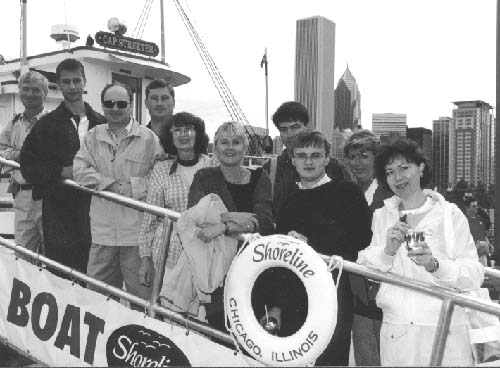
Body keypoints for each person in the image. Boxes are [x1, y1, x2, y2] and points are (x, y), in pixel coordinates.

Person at [357, 137, 483, 366]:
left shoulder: (449, 214)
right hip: (398, 330)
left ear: (421, 167)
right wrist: (388, 251)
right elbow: (366, 269)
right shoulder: (382, 216)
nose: (398, 177)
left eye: (404, 168)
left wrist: (434, 265)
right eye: (390, 171)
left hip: (446, 329)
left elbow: (474, 274)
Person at [264, 130, 372, 366]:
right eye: (302, 155)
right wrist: (276, 306)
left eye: (316, 155)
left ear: (327, 159)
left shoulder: (348, 193)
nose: (309, 161)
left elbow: (362, 242)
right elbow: (279, 265)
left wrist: (311, 245)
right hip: (294, 298)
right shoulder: (288, 203)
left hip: (333, 297)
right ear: (292, 160)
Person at [73, 82, 163, 300]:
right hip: (102, 235)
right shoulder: (92, 137)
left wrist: (134, 187)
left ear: (131, 105)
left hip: (137, 238)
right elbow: (79, 170)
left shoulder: (149, 139)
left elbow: (161, 177)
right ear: (102, 106)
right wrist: (111, 185)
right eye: (109, 103)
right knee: (97, 300)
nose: (115, 108)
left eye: (121, 103)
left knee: (142, 303)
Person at [20, 58, 105, 274]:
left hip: (98, 212)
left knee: (96, 275)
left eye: (77, 80)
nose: (72, 87)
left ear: (85, 82)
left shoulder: (101, 123)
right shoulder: (46, 125)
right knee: (61, 275)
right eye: (66, 82)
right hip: (60, 214)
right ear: (59, 84)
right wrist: (60, 171)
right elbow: (28, 166)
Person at [187, 121, 274, 330]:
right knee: (219, 329)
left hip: (251, 267)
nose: (230, 147)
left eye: (236, 142)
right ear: (215, 148)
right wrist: (239, 217)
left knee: (250, 329)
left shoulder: (260, 177)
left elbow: (265, 221)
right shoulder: (204, 177)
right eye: (224, 142)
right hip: (215, 267)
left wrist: (224, 226)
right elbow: (196, 218)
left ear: (245, 147)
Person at [137, 112, 214, 288]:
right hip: (169, 255)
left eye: (188, 130)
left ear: (198, 134)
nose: (182, 134)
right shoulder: (161, 170)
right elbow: (150, 218)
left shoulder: (212, 166)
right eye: (177, 130)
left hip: (205, 252)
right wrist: (145, 257)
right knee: (169, 310)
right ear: (170, 136)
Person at [343, 129, 392, 366]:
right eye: (352, 157)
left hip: (387, 289)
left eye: (364, 156)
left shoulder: (390, 192)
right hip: (359, 292)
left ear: (376, 158)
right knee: (366, 356)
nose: (357, 163)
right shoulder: (347, 192)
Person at [263, 101, 350, 218]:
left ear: (306, 127)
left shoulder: (333, 166)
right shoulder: (270, 169)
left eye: (295, 127)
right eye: (284, 129)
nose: (289, 135)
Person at [0, 71, 49, 255]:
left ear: (45, 94)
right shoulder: (14, 123)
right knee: (22, 257)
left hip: (48, 197)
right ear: (19, 91)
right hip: (22, 197)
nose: (29, 94)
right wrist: (20, 155)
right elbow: (1, 150)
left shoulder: (54, 123)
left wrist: (19, 156)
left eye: (35, 90)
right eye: (25, 89)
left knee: (52, 257)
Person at [144, 78, 175, 154]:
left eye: (164, 98)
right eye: (154, 98)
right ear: (146, 103)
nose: (159, 103)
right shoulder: (139, 139)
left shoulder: (186, 138)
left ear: (173, 103)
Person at [464, 197, 493, 266]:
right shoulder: (464, 220)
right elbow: (463, 240)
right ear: (467, 208)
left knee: (484, 275)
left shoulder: (479, 219)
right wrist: (480, 244)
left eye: (477, 205)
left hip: (482, 256)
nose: (476, 207)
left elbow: (484, 235)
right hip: (471, 257)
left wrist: (489, 244)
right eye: (473, 206)